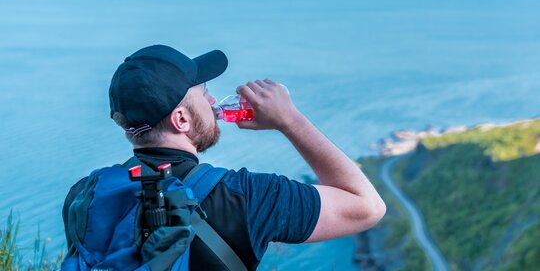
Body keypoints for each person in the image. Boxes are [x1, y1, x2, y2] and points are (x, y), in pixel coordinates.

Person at [62, 44, 386, 270]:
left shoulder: (85, 194)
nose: (215, 99)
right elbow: (366, 207)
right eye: (204, 94)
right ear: (181, 120)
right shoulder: (246, 197)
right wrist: (289, 120)